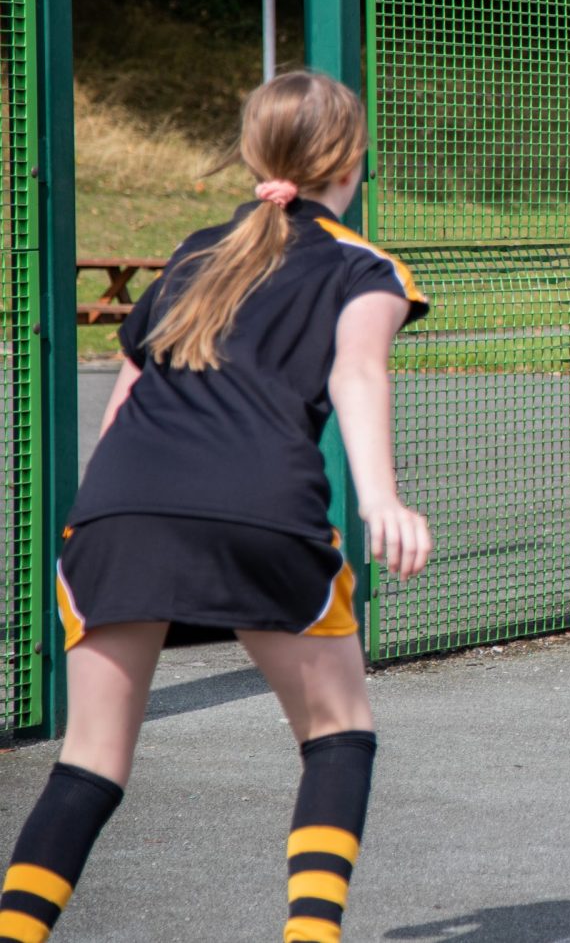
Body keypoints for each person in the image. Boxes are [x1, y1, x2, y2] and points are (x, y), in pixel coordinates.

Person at [0, 70, 432, 943]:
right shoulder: (365, 267)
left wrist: (118, 516)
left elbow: (122, 407)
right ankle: (310, 937)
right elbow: (356, 371)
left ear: (250, 154)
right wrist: (383, 497)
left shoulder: (196, 254)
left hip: (117, 512)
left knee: (88, 762)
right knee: (338, 730)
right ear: (352, 163)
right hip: (259, 508)